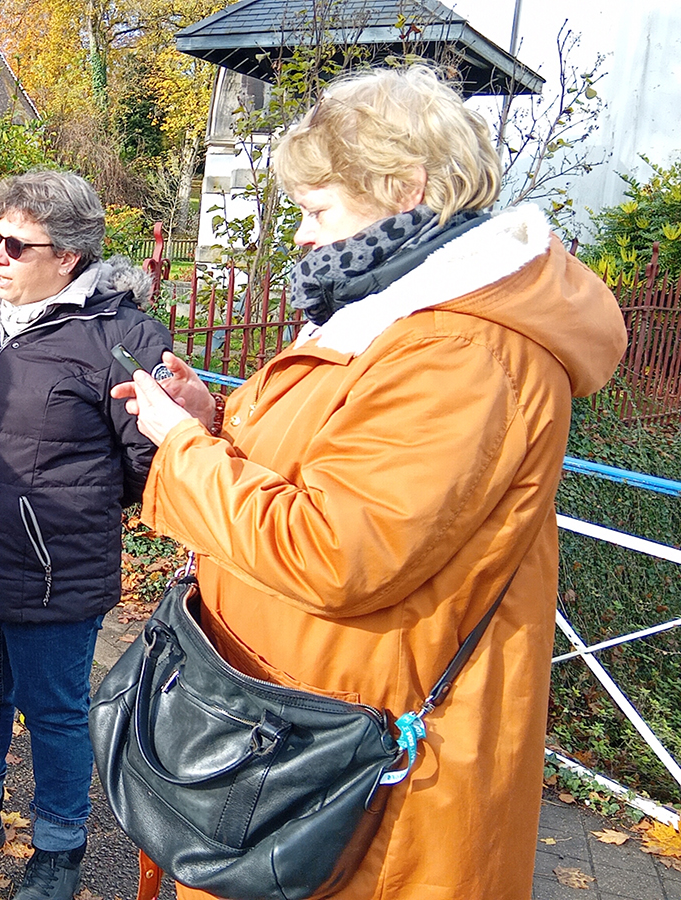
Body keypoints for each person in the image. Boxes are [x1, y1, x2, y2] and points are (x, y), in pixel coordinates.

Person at [111, 66, 626, 899]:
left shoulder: (462, 348)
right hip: (284, 730)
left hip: (360, 774)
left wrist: (182, 451)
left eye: (317, 209)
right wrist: (217, 420)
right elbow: (341, 461)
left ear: (405, 186)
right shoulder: (402, 319)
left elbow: (336, 551)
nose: (303, 238)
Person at [0, 169, 172, 900]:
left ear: (69, 258)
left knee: (53, 710)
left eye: (16, 245)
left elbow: (152, 456)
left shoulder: (121, 337)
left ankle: (59, 845)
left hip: (51, 565)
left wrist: (66, 509)